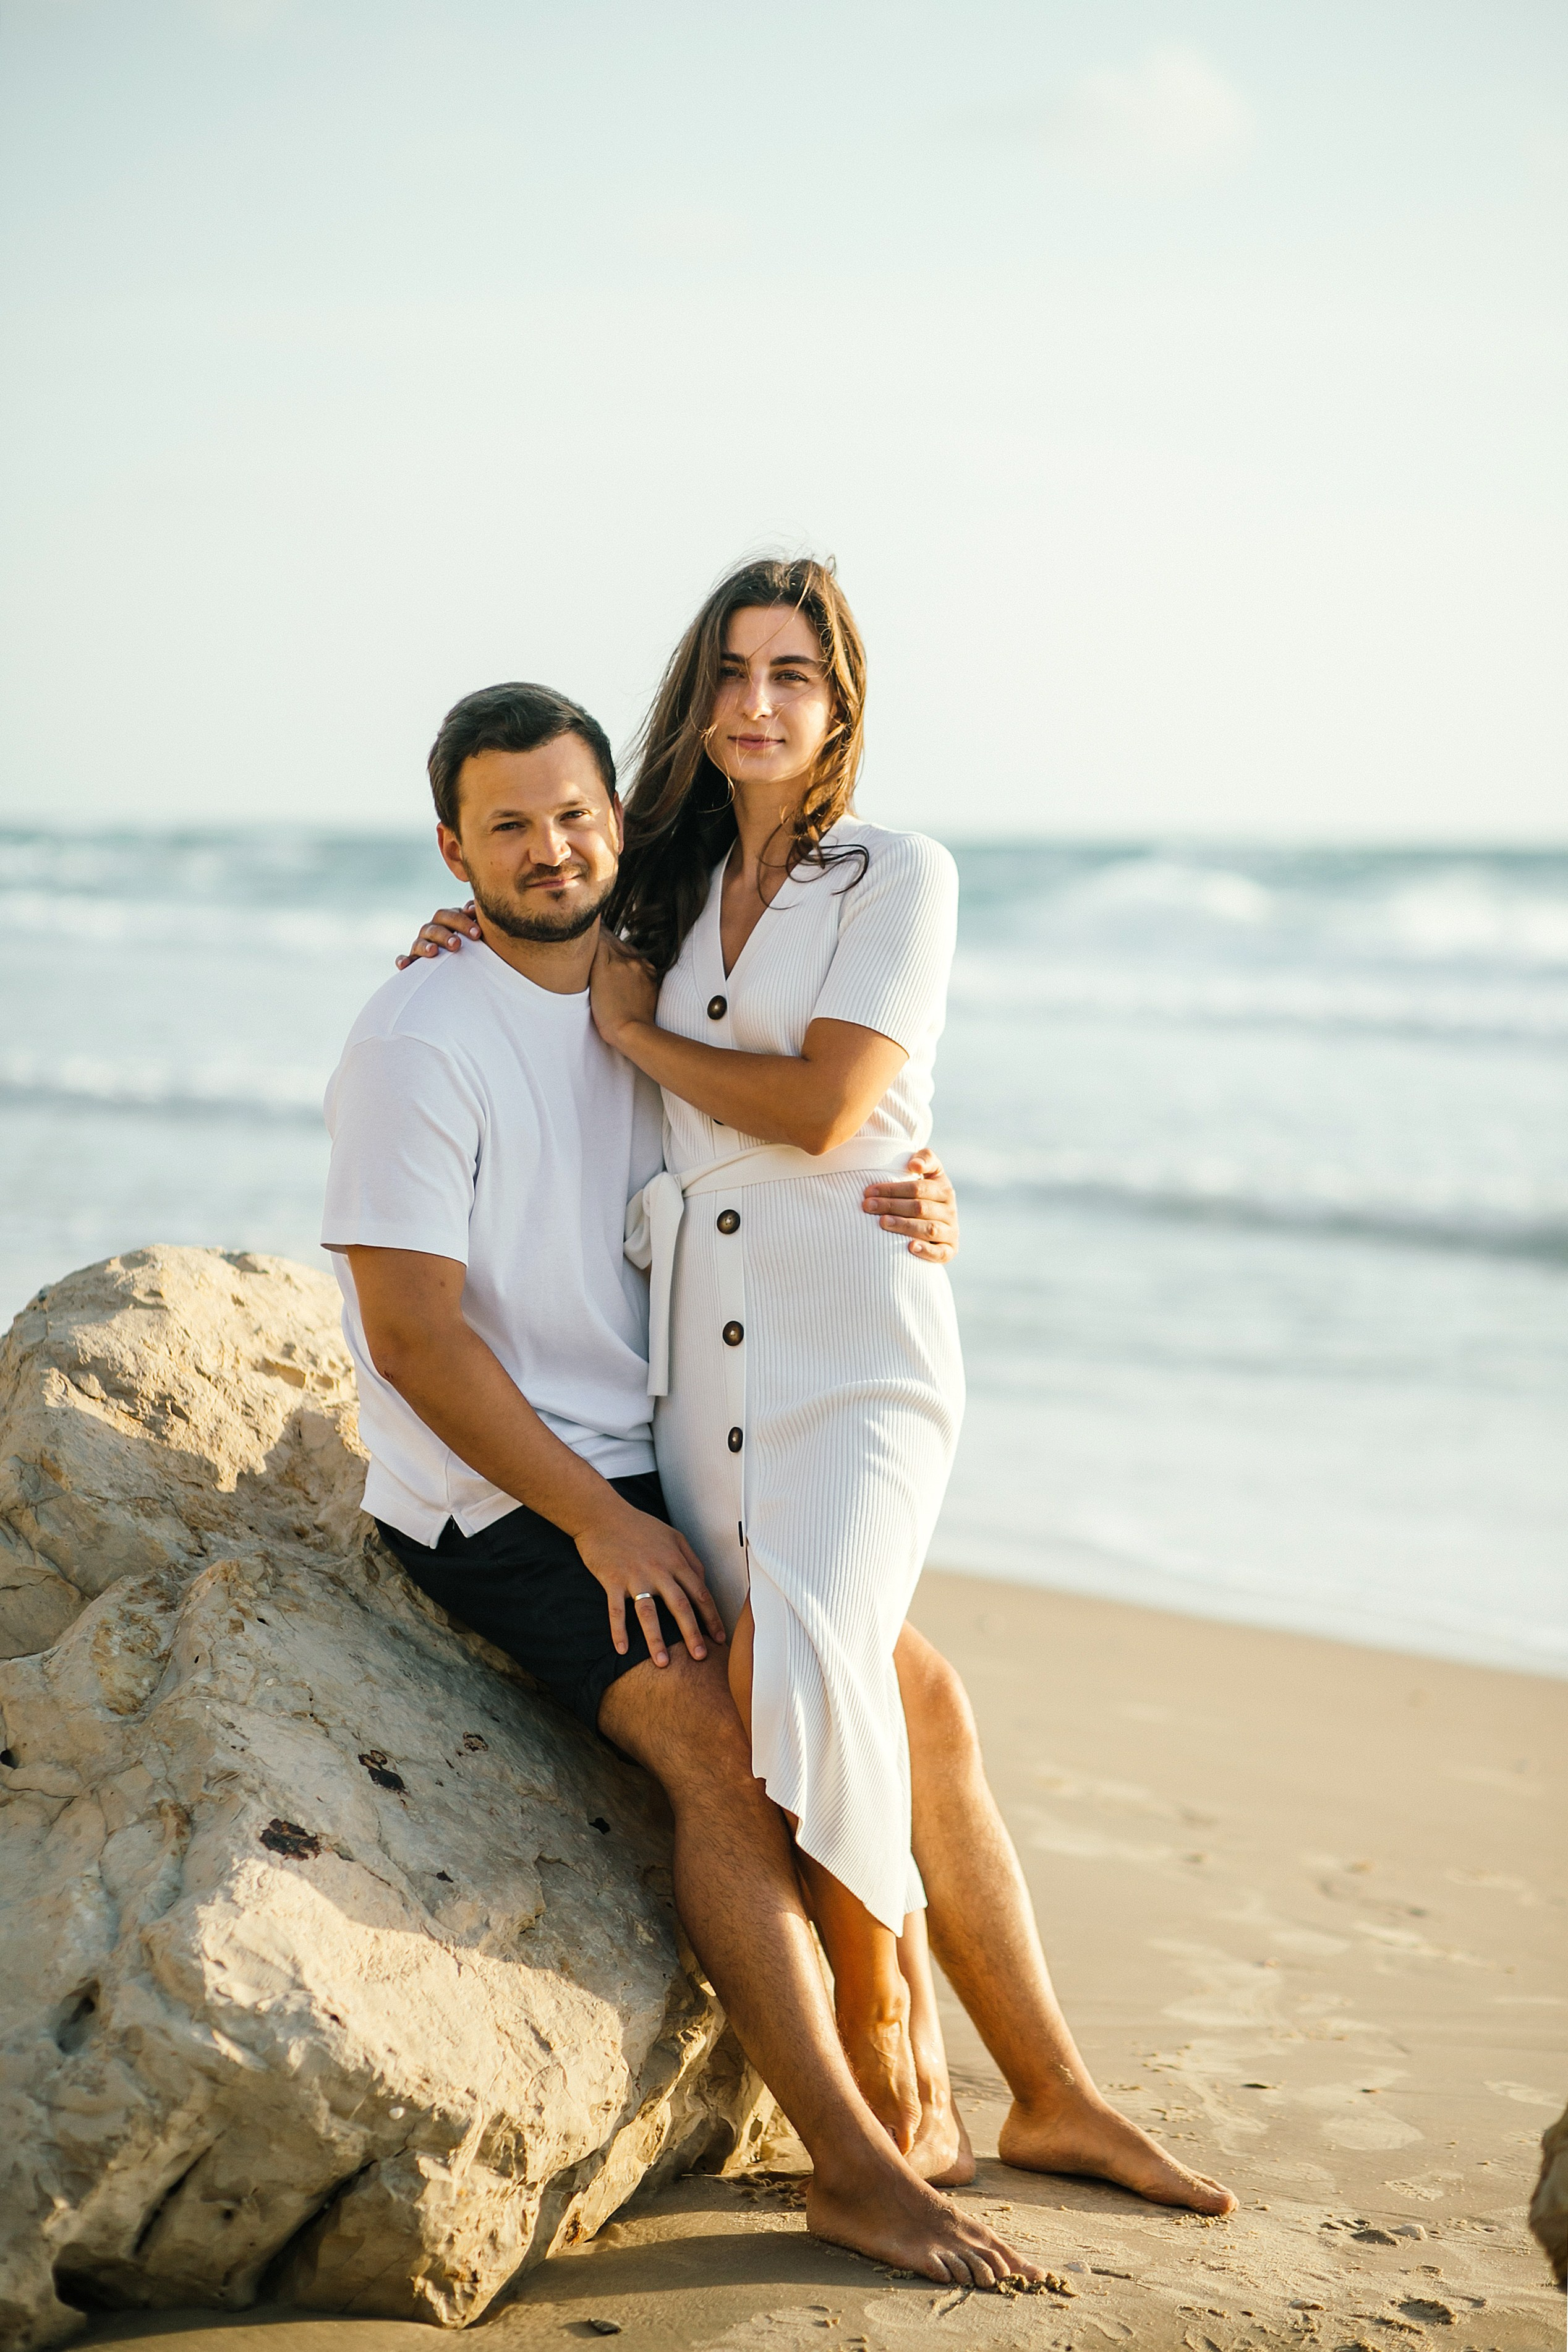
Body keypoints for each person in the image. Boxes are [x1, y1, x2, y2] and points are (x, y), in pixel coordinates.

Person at [396, 564, 1235, 2223]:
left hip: (855, 1329)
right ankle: (1055, 2093)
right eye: (732, 672)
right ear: (697, 698)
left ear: (841, 701)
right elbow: (538, 913)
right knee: (901, 1691)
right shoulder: (661, 880)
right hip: (703, 1345)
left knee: (797, 1650)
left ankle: (892, 2040)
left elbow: (837, 1107)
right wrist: (451, 940)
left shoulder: (894, 873)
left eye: (794, 673)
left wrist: (651, 1047)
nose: (760, 703)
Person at [322, 680, 1039, 2287]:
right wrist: (597, 1520)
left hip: (659, 1447)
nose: (549, 848)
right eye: (507, 825)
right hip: (496, 1498)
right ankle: (856, 2166)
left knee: (905, 1683)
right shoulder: (418, 1037)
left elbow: (795, 1131)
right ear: (453, 850)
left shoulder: (642, 1001)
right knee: (724, 1744)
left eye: (574, 815)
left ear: (619, 825)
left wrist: (924, 1190)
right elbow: (413, 1338)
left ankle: (1046, 2091)